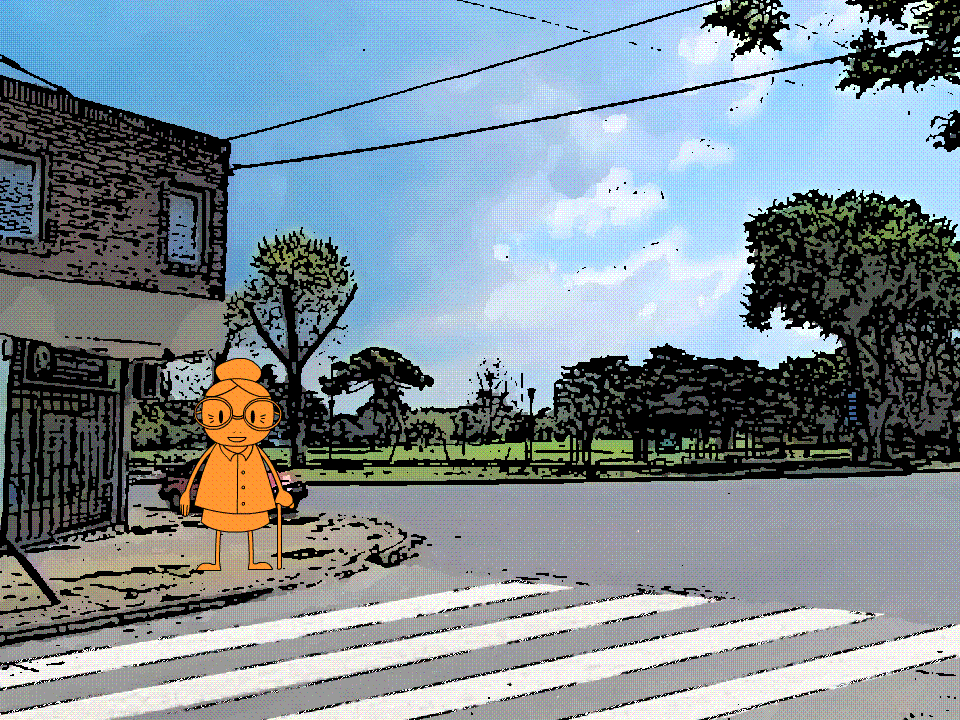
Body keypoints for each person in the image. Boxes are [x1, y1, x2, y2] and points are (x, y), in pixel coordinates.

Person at [180, 357, 294, 571]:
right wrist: (186, 493)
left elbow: (270, 468)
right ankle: (216, 561)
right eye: (220, 416)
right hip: (219, 499)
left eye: (254, 417)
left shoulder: (256, 452)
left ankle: (252, 561)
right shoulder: (216, 451)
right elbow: (198, 468)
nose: (237, 427)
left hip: (252, 499)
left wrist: (280, 492)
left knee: (250, 527)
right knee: (219, 527)